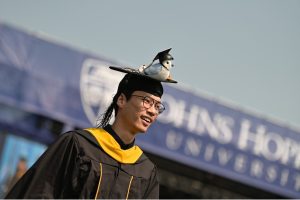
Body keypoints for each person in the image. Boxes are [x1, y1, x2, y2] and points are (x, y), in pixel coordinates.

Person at [5, 49, 177, 199]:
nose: (152, 111)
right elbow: (38, 193)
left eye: (157, 106)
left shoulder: (145, 171)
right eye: (146, 101)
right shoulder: (78, 145)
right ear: (122, 100)